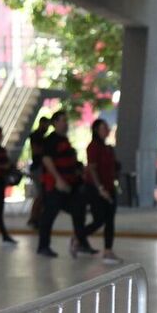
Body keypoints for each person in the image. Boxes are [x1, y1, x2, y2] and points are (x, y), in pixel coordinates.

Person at [36, 110, 93, 258]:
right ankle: (43, 246)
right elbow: (46, 160)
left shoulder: (65, 140)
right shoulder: (51, 140)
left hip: (70, 185)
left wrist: (80, 170)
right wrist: (58, 180)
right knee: (49, 215)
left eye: (66, 120)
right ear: (55, 123)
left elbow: (71, 161)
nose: (65, 123)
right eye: (62, 120)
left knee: (78, 211)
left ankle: (81, 242)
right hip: (55, 186)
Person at [83, 118, 122, 264]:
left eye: (107, 127)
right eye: (103, 128)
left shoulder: (108, 148)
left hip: (110, 187)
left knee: (110, 219)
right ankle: (79, 236)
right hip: (95, 189)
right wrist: (100, 188)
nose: (107, 130)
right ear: (96, 130)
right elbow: (92, 168)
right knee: (100, 219)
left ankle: (108, 250)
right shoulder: (93, 147)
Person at [27, 116, 50, 227]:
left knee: (42, 194)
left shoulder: (42, 136)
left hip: (39, 167)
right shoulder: (36, 136)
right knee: (40, 194)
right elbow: (36, 151)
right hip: (37, 168)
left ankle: (36, 217)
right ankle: (33, 218)